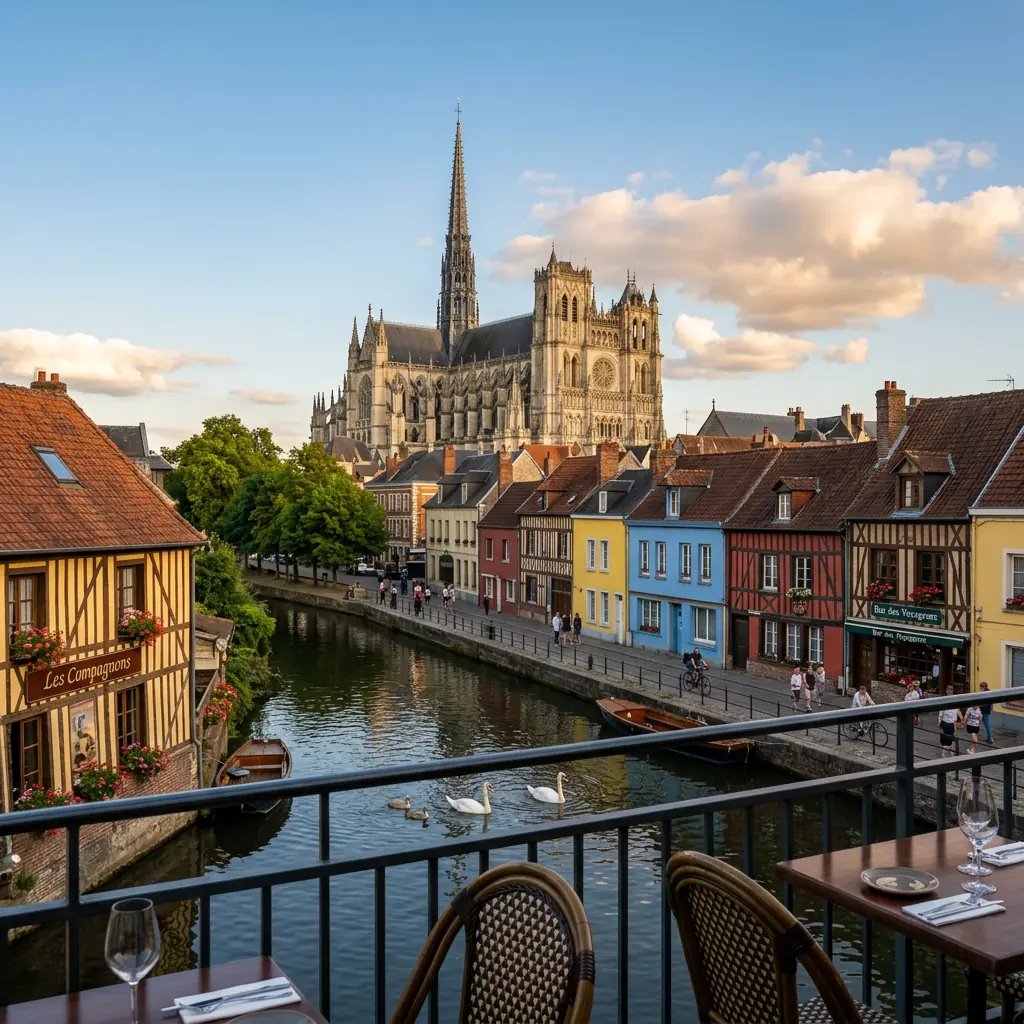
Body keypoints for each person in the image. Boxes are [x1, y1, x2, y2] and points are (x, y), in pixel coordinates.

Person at [937, 685, 962, 758]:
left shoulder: (951, 700)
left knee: (950, 737)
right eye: (949, 690)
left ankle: (949, 753)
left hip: (950, 722)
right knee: (950, 738)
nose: (950, 691)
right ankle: (947, 753)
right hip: (948, 722)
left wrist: (939, 721)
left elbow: (956, 710)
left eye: (950, 690)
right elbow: (941, 712)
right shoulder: (948, 700)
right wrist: (939, 720)